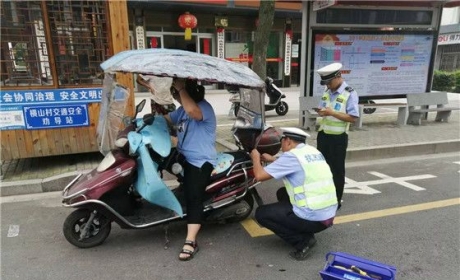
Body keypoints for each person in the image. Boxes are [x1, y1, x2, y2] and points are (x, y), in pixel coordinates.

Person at [250, 127, 338, 261]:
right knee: (283, 193)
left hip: (314, 217)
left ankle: (303, 241)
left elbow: (259, 175)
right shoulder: (312, 151)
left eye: (282, 141)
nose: (281, 145)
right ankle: (302, 227)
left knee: (261, 214)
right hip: (328, 214)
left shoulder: (291, 157)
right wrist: (274, 160)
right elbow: (297, 166)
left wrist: (255, 158)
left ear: (289, 141)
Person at [164, 78, 217, 261]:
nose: (176, 97)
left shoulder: (203, 107)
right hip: (183, 157)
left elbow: (192, 111)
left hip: (200, 161)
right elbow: (166, 120)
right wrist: (142, 122)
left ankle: (191, 241)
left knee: (194, 197)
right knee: (157, 157)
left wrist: (180, 88)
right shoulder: (181, 111)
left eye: (177, 93)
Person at [315, 62, 359, 210]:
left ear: (338, 76)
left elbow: (353, 117)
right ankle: (324, 195)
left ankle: (336, 200)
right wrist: (321, 111)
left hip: (338, 138)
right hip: (323, 135)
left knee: (336, 170)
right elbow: (323, 108)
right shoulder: (327, 91)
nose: (327, 85)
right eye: (325, 83)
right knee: (322, 168)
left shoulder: (349, 93)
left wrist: (332, 113)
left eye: (329, 82)